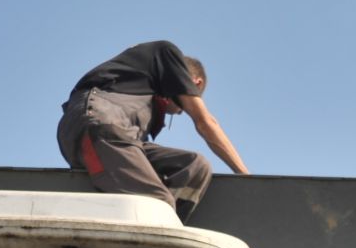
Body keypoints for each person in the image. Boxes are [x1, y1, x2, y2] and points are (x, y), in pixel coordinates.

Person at [56, 40, 249, 220]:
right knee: (157, 203)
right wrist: (245, 176)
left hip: (116, 135)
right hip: (98, 127)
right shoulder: (167, 53)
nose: (180, 113)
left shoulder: (143, 90)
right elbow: (205, 122)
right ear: (195, 83)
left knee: (195, 166)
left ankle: (166, 229)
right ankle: (154, 228)